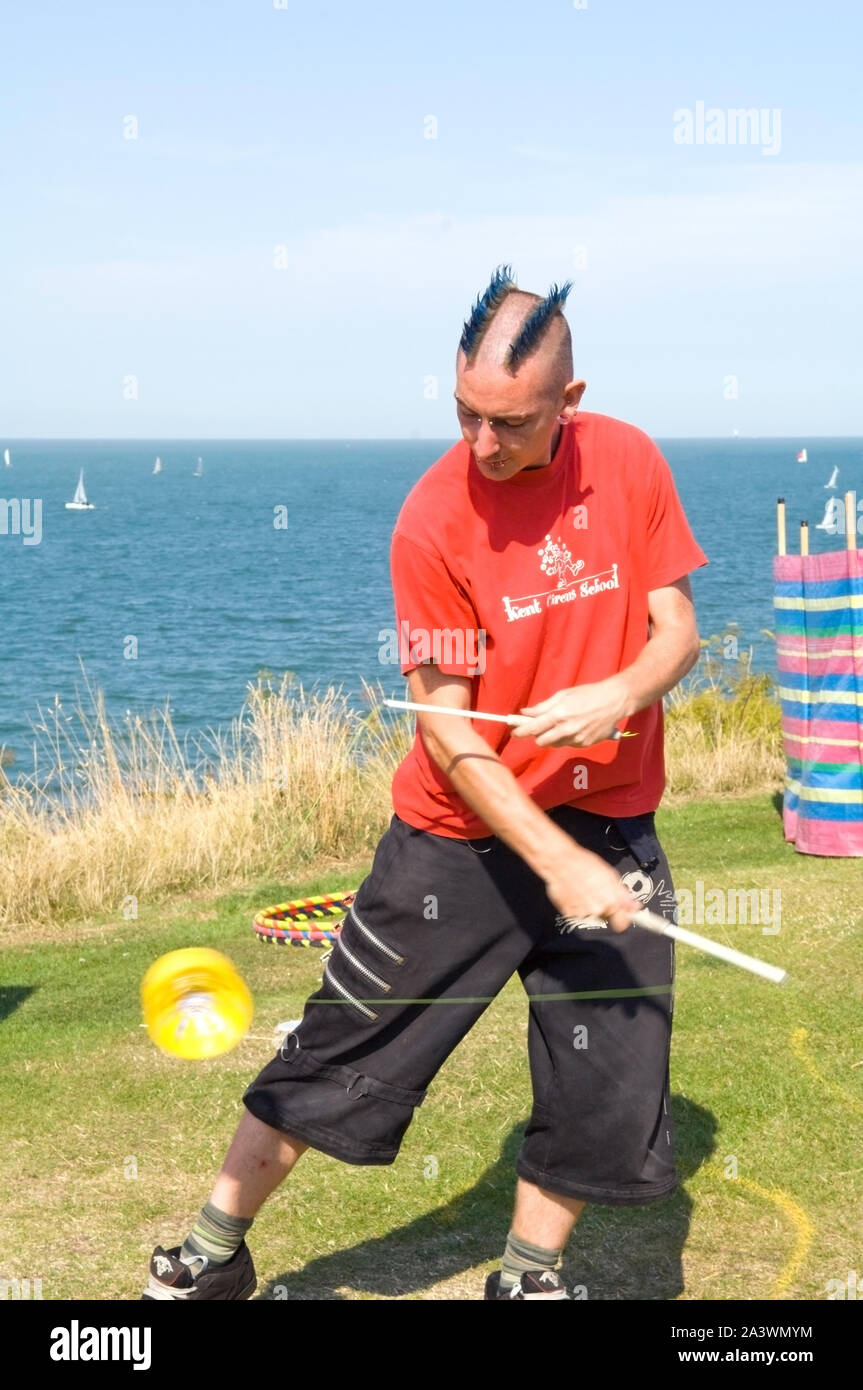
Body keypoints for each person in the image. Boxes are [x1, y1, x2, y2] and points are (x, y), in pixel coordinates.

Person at [142, 265, 707, 1302]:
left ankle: (527, 1275)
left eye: (508, 422)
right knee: (347, 1047)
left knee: (611, 1071)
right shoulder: (431, 519)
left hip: (611, 814)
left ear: (568, 405)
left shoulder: (626, 461)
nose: (480, 445)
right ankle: (209, 1252)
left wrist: (615, 691)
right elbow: (447, 730)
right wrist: (554, 861)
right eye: (463, 414)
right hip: (457, 838)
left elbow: (675, 630)